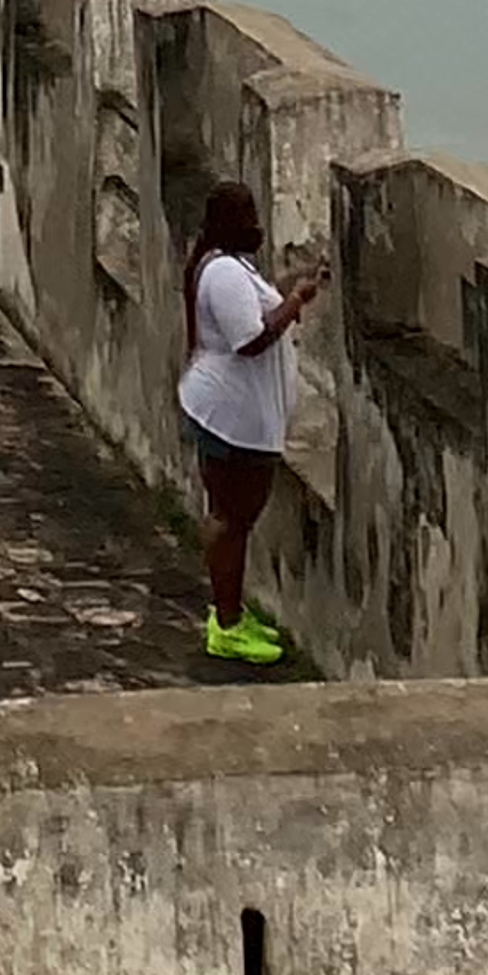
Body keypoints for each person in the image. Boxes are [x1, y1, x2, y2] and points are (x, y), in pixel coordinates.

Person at [179, 179, 329, 669]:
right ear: (228, 223)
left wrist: (290, 287)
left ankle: (230, 612)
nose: (257, 225)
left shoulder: (232, 266)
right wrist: (297, 302)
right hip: (230, 419)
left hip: (237, 415)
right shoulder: (222, 272)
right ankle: (225, 627)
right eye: (248, 217)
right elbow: (250, 340)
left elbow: (254, 311)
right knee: (231, 519)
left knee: (234, 515)